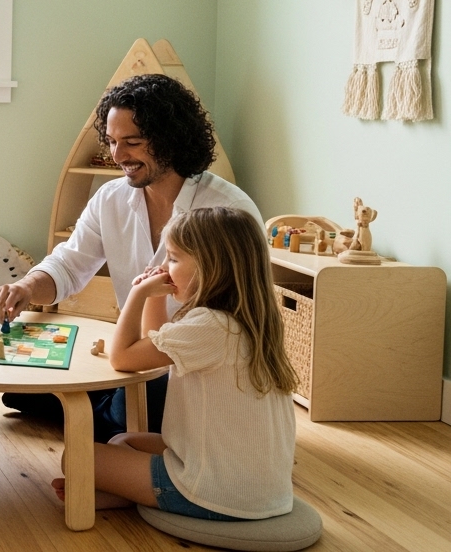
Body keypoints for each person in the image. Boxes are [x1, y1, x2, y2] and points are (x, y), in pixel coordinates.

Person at [0, 73, 260, 441]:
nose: (117, 156)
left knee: (143, 400)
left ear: (171, 139)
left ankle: (91, 412)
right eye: (112, 142)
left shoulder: (227, 210)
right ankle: (97, 410)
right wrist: (25, 286)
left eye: (132, 142)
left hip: (193, 368)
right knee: (32, 383)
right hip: (134, 357)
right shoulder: (110, 199)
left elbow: (244, 315)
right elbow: (68, 264)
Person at [52, 207, 297, 520]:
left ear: (212, 266)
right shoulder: (248, 322)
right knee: (122, 440)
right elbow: (154, 343)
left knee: (76, 456)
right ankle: (121, 494)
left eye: (173, 258)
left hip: (215, 492)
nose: (164, 267)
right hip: (258, 487)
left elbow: (123, 357)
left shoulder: (211, 326)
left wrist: (137, 295)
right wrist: (156, 297)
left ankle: (136, 492)